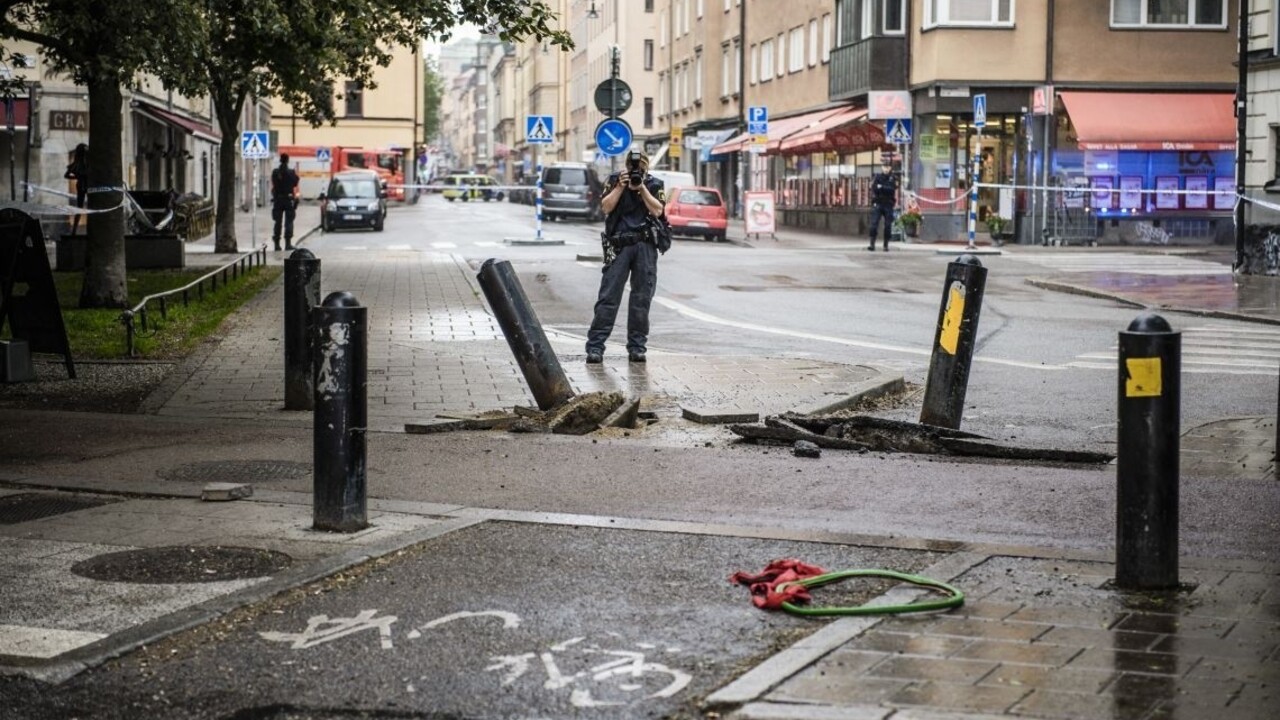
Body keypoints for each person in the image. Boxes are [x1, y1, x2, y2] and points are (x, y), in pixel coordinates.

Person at [585, 150, 667, 364]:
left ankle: (637, 348)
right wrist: (621, 186)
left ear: (646, 167)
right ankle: (595, 347)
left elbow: (658, 211)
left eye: (639, 167)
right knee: (608, 297)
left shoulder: (655, 184)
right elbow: (606, 207)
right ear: (626, 167)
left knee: (641, 299)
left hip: (645, 245)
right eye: (632, 167)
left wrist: (642, 189)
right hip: (618, 244)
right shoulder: (614, 180)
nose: (635, 172)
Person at [270, 153, 300, 251]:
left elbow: (274, 182)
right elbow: (295, 182)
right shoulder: (291, 172)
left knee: (277, 222)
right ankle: (288, 244)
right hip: (288, 199)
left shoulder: (275, 172)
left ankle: (277, 244)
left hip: (278, 199)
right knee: (289, 221)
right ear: (287, 160)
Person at [868, 160, 898, 252]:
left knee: (888, 225)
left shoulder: (893, 178)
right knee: (874, 224)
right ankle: (872, 244)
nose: (886, 169)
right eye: (884, 167)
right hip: (878, 203)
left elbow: (892, 189)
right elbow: (874, 188)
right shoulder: (877, 177)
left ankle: (886, 245)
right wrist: (882, 187)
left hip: (888, 204)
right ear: (882, 167)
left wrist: (882, 187)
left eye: (888, 167)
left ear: (890, 168)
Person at [64, 143, 89, 236]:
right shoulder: (87, 164)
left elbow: (66, 175)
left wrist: (76, 177)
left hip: (80, 185)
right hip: (87, 186)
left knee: (79, 208)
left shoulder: (76, 164)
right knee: (85, 208)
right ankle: (75, 230)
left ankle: (74, 231)